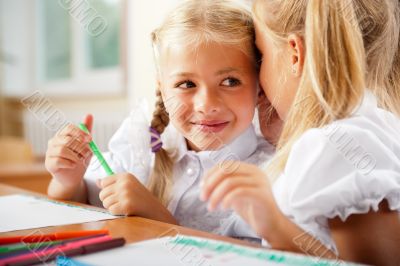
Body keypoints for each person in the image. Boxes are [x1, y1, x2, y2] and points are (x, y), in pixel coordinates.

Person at [45, 0, 273, 241]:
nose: (206, 105)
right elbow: (78, 206)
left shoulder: (270, 175)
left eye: (230, 81)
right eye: (186, 84)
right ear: (162, 90)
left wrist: (157, 216)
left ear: (259, 87)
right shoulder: (141, 143)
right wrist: (68, 180)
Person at [201, 0, 400, 264]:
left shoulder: (336, 145)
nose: (258, 81)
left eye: (261, 55)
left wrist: (274, 224)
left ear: (295, 54)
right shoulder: (370, 125)